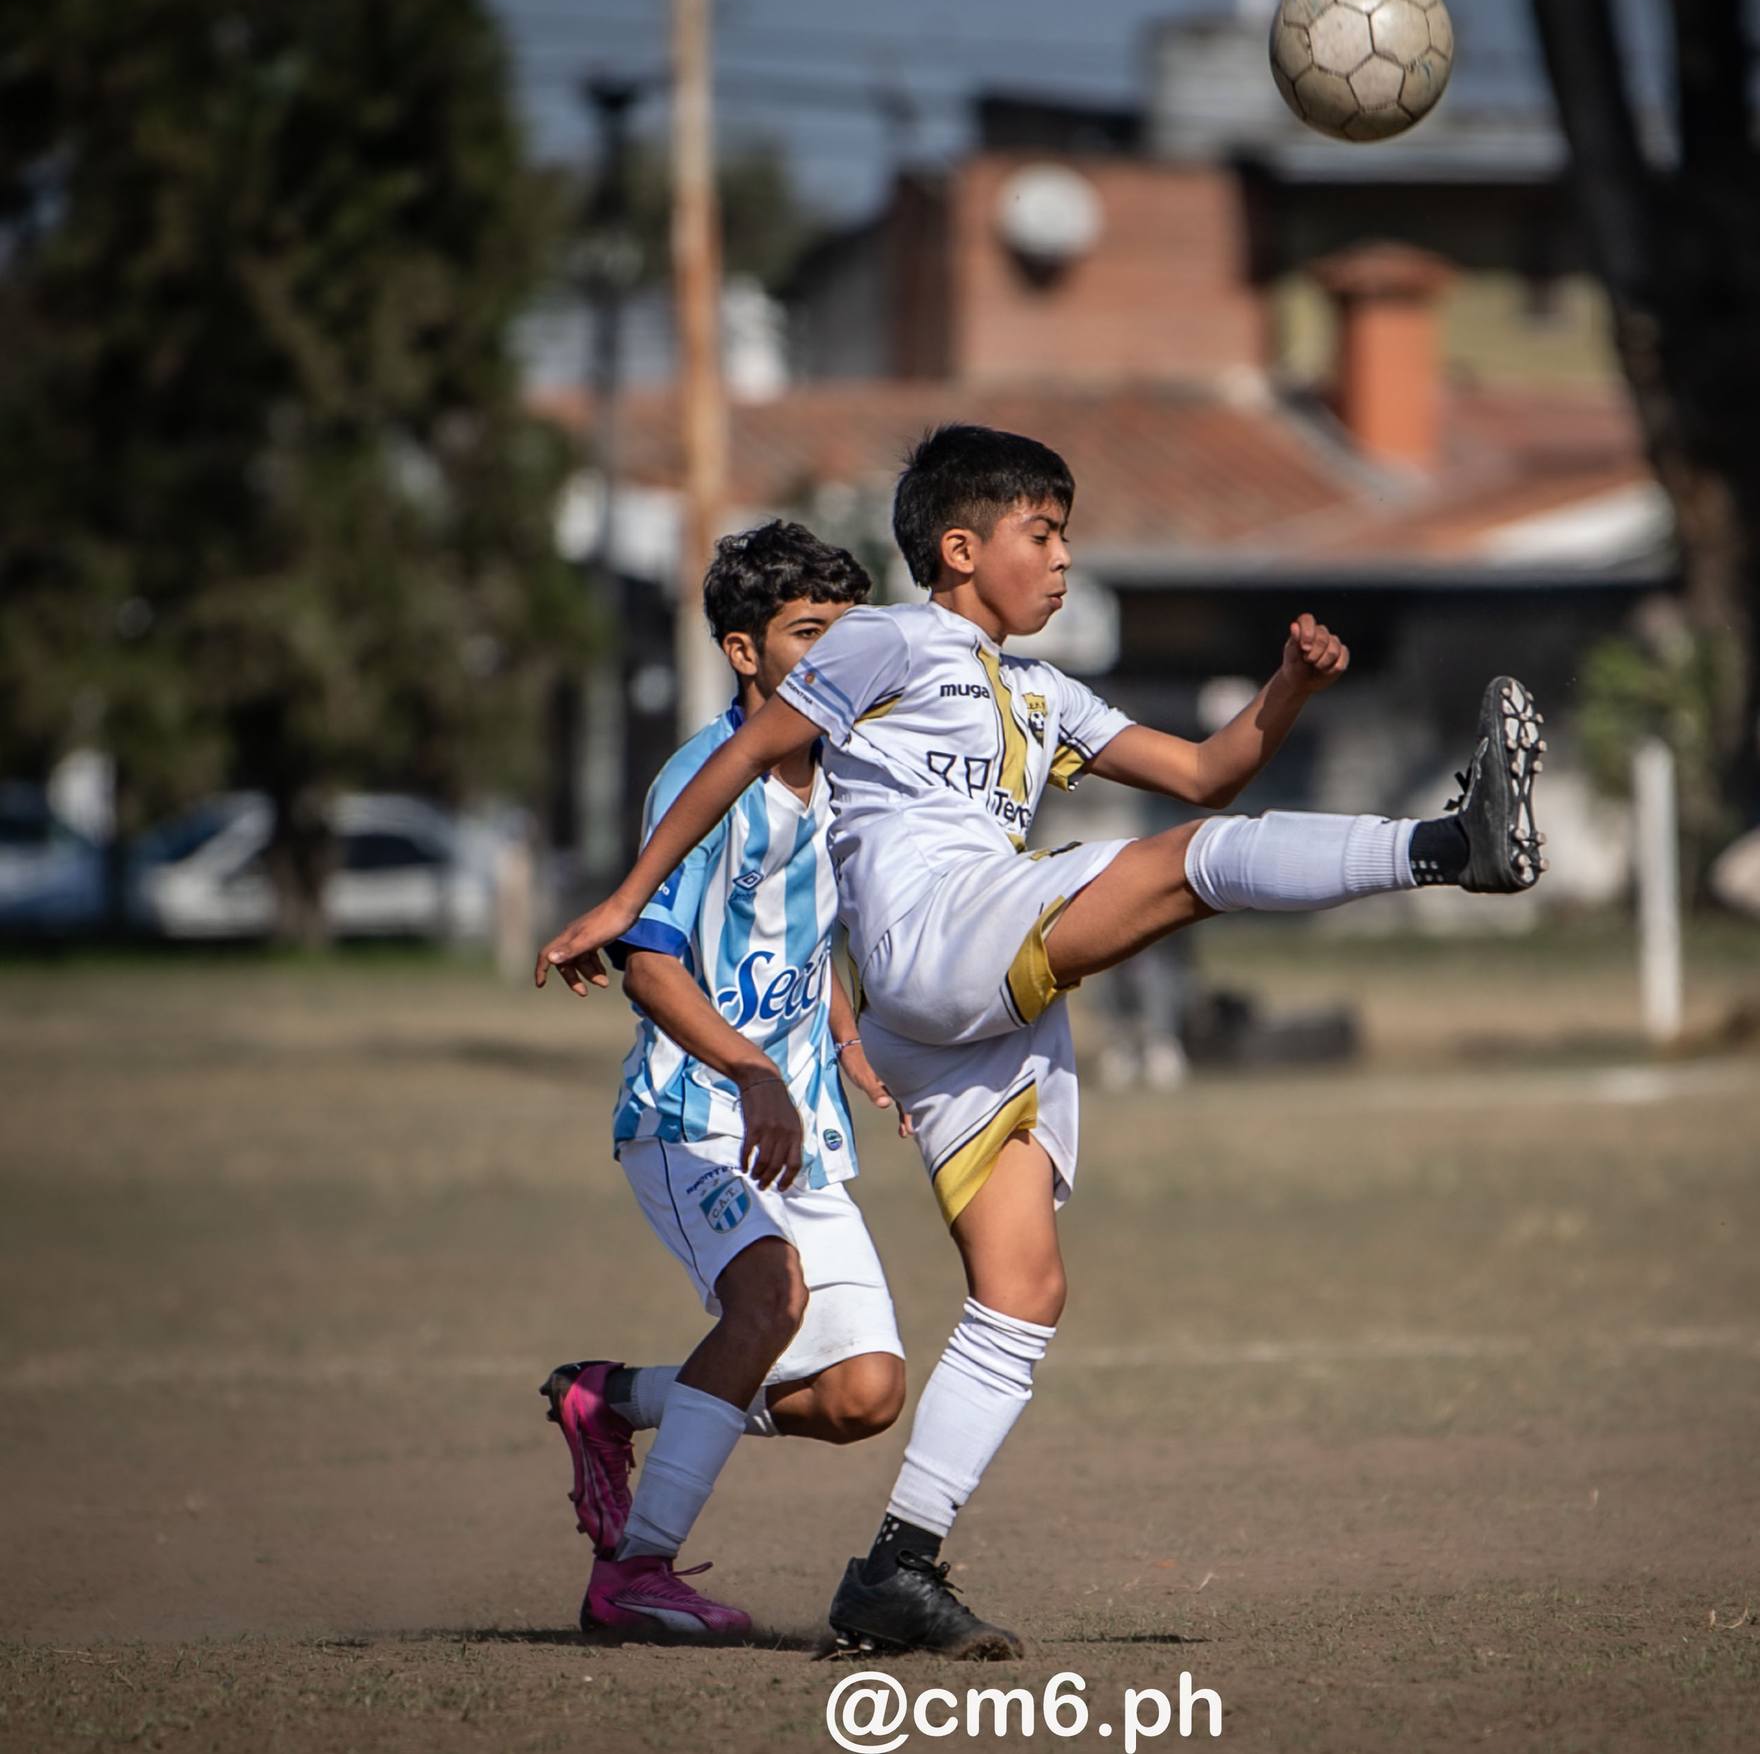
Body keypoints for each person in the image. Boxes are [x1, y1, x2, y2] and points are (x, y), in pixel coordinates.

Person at [536, 426, 1547, 1657]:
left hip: (962, 1009)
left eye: (1065, 532)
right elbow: (742, 753)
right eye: (1042, 534)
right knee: (1186, 873)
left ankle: (895, 1569)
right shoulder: (883, 639)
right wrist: (619, 894)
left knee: (1022, 1293)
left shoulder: (1039, 693)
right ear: (959, 551)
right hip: (935, 934)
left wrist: (1287, 690)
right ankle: (1448, 849)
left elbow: (1199, 767)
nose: (1064, 559)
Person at [537, 521, 908, 1640]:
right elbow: (649, 966)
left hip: (796, 1124)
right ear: (744, 653)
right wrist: (751, 1071)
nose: (834, 656)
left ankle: (617, 1401)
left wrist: (845, 1042)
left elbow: (805, 933)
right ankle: (634, 1574)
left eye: (848, 633)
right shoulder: (701, 781)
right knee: (769, 1301)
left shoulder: (847, 771)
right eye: (808, 634)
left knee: (862, 1396)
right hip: (693, 1117)